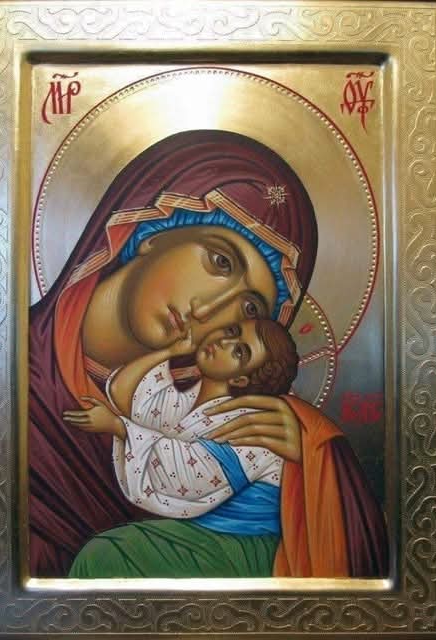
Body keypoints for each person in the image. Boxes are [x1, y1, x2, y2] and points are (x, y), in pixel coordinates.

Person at [30, 129, 388, 578]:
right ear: (153, 230)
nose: (211, 311)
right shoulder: (11, 377)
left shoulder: (249, 417)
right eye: (221, 262)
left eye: (250, 307)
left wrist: (311, 459)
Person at [63, 319, 298, 529]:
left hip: (225, 541)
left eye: (238, 351)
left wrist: (119, 427)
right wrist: (170, 351)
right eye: (231, 331)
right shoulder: (185, 400)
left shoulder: (248, 424)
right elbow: (124, 394)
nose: (223, 341)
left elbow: (188, 474)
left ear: (240, 379)